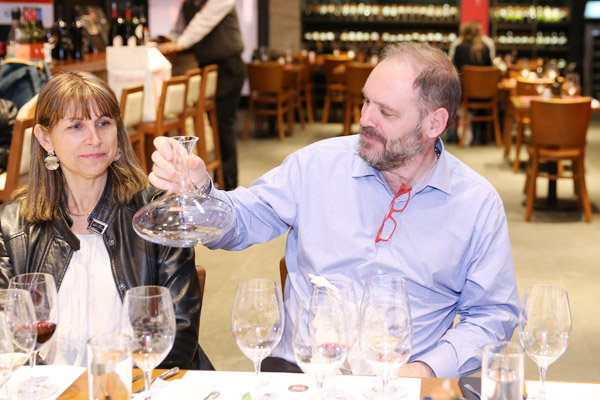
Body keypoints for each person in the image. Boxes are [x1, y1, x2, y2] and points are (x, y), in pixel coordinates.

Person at [151, 42, 520, 378]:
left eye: (386, 112)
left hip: (404, 379)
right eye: (366, 102)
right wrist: (198, 192)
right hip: (302, 372)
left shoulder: (475, 204)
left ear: (434, 123)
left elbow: (493, 314)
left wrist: (426, 369)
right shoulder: (317, 165)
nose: (366, 119)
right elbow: (241, 221)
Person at [0, 71, 212, 370]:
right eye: (76, 126)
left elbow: (179, 334)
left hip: (142, 382)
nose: (95, 139)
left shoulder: (158, 213)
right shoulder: (11, 226)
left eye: (103, 123)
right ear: (45, 138)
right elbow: (7, 336)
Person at [158, 0, 245, 191]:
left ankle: (229, 186)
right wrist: (169, 41)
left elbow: (202, 23)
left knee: (223, 127)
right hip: (208, 68)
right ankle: (216, 182)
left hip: (229, 68)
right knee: (216, 127)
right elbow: (179, 30)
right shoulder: (188, 4)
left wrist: (179, 44)